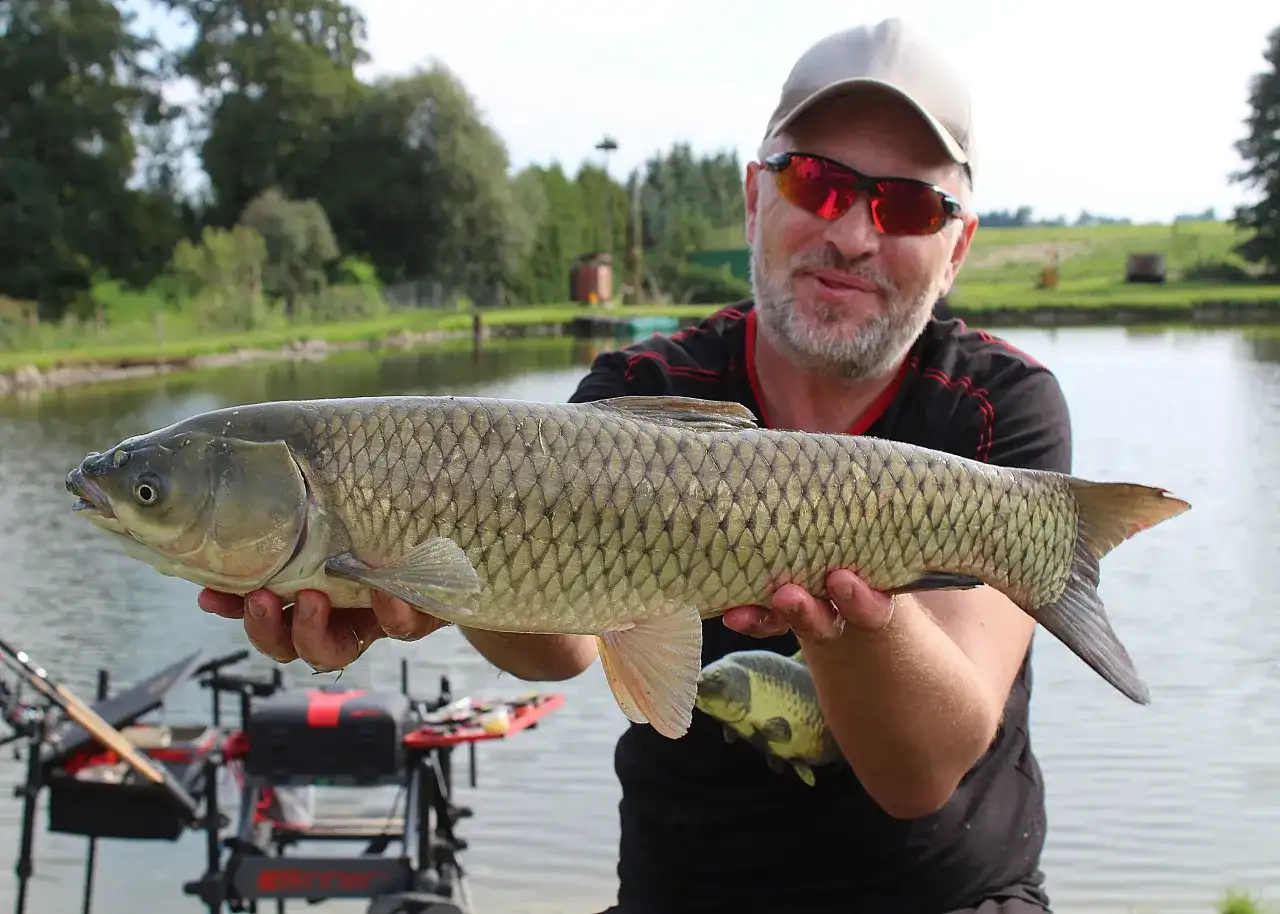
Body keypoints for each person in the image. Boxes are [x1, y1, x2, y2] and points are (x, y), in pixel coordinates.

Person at [198, 17, 1072, 914]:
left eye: (907, 207)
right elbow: (566, 639)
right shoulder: (645, 384)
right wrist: (429, 582)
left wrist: (849, 607)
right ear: (754, 199)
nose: (850, 235)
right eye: (816, 182)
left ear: (957, 248)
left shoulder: (1000, 407)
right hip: (683, 889)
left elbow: (921, 774)